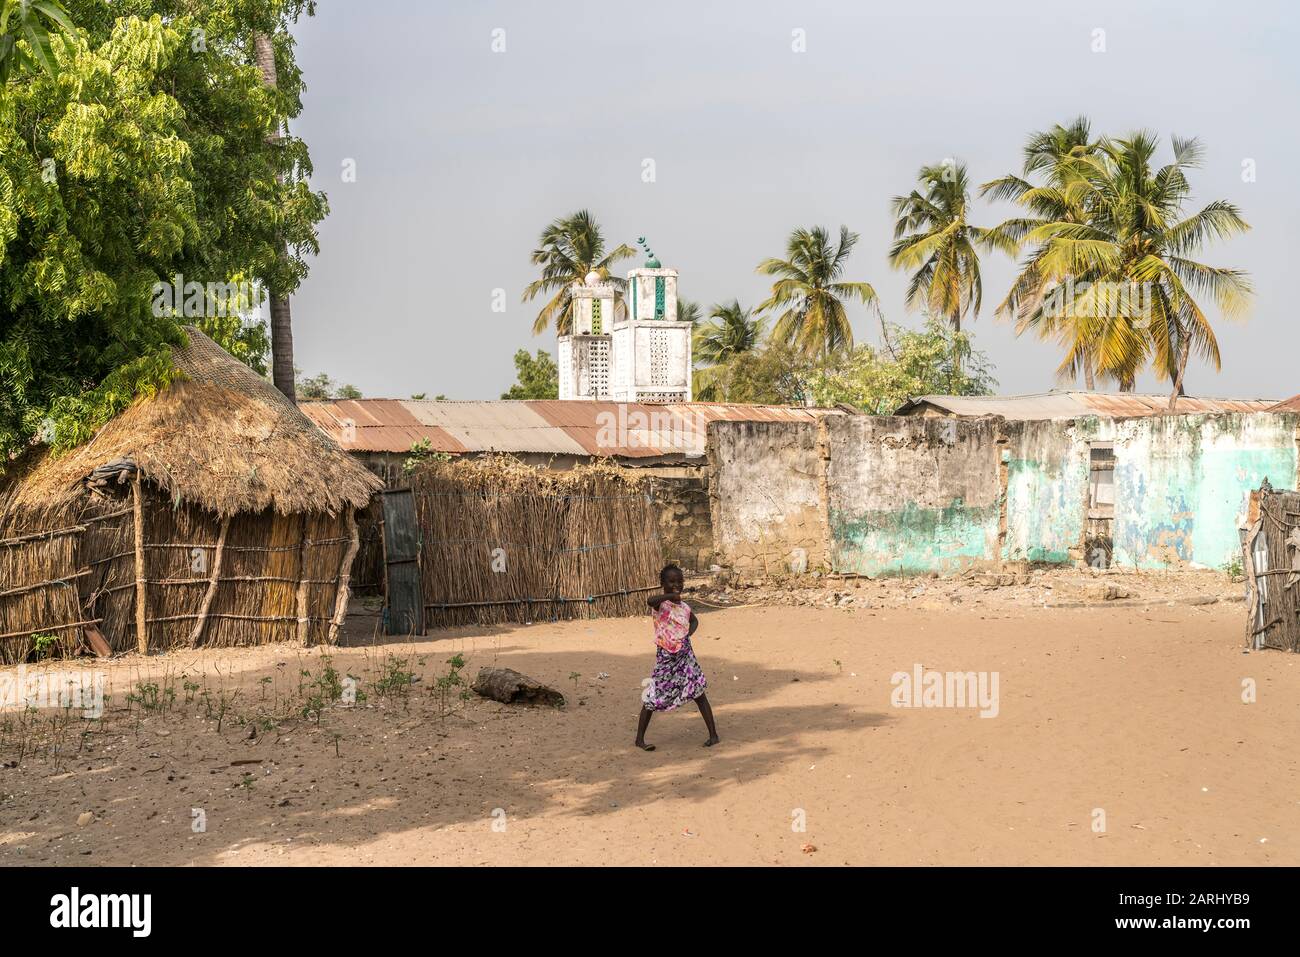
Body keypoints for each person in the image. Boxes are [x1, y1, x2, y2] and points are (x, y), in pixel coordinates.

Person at [635, 563, 719, 751]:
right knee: (653, 696)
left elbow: (694, 621)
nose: (676, 585)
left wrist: (688, 634)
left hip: (686, 657)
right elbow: (650, 600)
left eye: (679, 581)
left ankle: (713, 735)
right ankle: (639, 739)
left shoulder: (685, 607)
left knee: (698, 693)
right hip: (666, 658)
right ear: (662, 583)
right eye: (671, 581)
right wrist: (670, 596)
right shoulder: (660, 605)